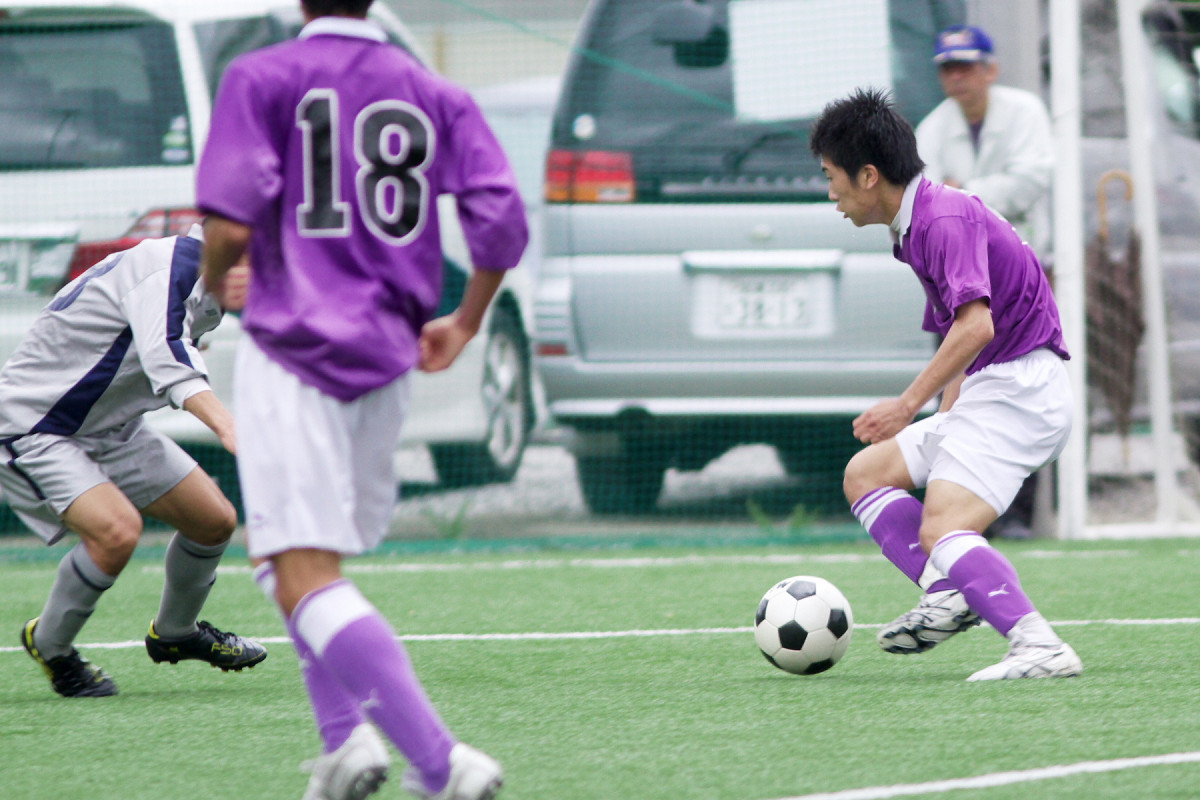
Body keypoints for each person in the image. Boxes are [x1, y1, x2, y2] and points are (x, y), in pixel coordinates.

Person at [195, 1, 527, 798]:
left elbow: (229, 224)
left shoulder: (262, 75)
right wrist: (467, 321)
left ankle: (444, 764)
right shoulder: (431, 89)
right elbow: (500, 224)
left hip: (295, 355)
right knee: (294, 564)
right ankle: (345, 744)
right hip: (388, 362)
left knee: (298, 572)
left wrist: (214, 285)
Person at [809, 87, 1081, 681]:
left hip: (1024, 391)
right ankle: (952, 592)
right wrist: (945, 414)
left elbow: (976, 325)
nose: (830, 194)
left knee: (943, 526)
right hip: (995, 387)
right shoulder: (916, 226)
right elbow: (962, 344)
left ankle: (1040, 645)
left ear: (869, 175)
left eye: (832, 177)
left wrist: (908, 407)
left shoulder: (942, 218)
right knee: (867, 473)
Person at [5, 225, 267, 698]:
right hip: (37, 426)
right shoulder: (173, 265)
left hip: (110, 429)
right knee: (116, 533)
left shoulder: (209, 274)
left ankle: (175, 634)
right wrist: (231, 428)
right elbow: (169, 361)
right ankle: (52, 645)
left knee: (214, 521)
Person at [915, 24, 1057, 540]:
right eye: (948, 68)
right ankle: (960, 516)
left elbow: (1031, 179)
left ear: (990, 69)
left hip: (1023, 281)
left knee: (1027, 392)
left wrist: (966, 193)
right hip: (960, 284)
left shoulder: (1026, 113)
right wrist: (968, 201)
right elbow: (927, 197)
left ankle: (1020, 516)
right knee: (956, 394)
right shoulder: (932, 127)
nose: (958, 77)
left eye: (967, 65)